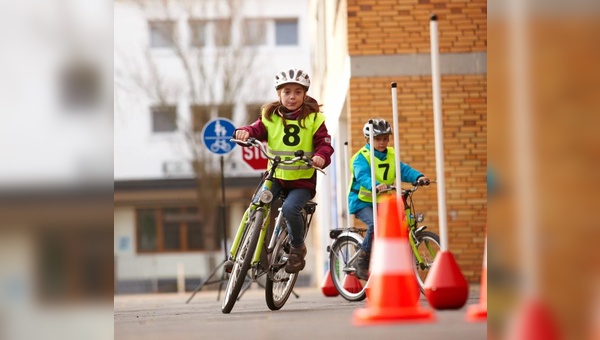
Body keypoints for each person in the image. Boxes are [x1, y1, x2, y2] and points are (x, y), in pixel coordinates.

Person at [230, 68, 334, 274]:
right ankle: (237, 255)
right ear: (279, 94)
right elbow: (256, 129)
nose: (292, 96)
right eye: (287, 92)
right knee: (256, 205)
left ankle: (297, 247)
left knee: (289, 209)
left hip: (301, 180)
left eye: (297, 92)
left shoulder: (314, 119)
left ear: (304, 95)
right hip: (275, 176)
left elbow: (325, 143)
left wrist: (321, 156)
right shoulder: (270, 116)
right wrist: (244, 132)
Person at [348, 118, 430, 280]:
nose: (382, 142)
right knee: (376, 225)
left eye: (385, 138)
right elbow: (362, 176)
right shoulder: (361, 157)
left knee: (397, 227)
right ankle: (362, 262)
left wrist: (419, 177)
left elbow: (403, 170)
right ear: (368, 140)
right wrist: (375, 185)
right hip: (361, 201)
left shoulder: (391, 155)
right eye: (378, 139)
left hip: (382, 201)